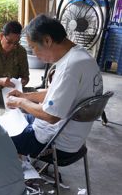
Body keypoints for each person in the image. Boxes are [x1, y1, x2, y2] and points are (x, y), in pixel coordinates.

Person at [6, 14, 103, 158]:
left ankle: (14, 174)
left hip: (55, 142)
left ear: (47, 40)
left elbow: (51, 116)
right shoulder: (80, 55)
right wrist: (25, 96)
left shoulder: (70, 67)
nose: (34, 54)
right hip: (69, 136)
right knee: (13, 120)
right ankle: (20, 165)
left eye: (33, 47)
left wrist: (21, 102)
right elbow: (56, 93)